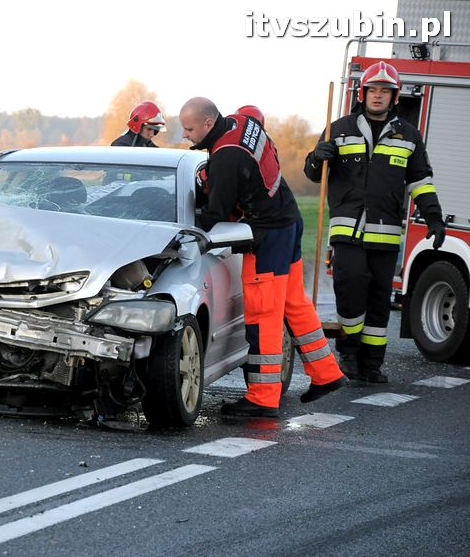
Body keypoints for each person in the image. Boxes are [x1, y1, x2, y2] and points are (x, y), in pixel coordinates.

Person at [180, 97, 345, 417]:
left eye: (189, 129)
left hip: (268, 235)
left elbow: (215, 215)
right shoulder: (242, 124)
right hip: (288, 218)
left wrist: (196, 211)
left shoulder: (226, 157)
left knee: (263, 315)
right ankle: (327, 374)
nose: (185, 135)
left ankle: (263, 398)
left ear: (209, 124)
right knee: (294, 303)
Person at [304, 60, 444, 383]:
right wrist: (316, 158)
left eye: (385, 91)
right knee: (350, 286)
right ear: (362, 94)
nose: (378, 95)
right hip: (347, 230)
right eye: (373, 90)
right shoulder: (338, 129)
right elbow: (313, 175)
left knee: (379, 300)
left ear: (394, 97)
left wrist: (434, 219)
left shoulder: (409, 136)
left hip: (386, 234)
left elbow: (421, 183)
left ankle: (372, 365)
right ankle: (349, 352)